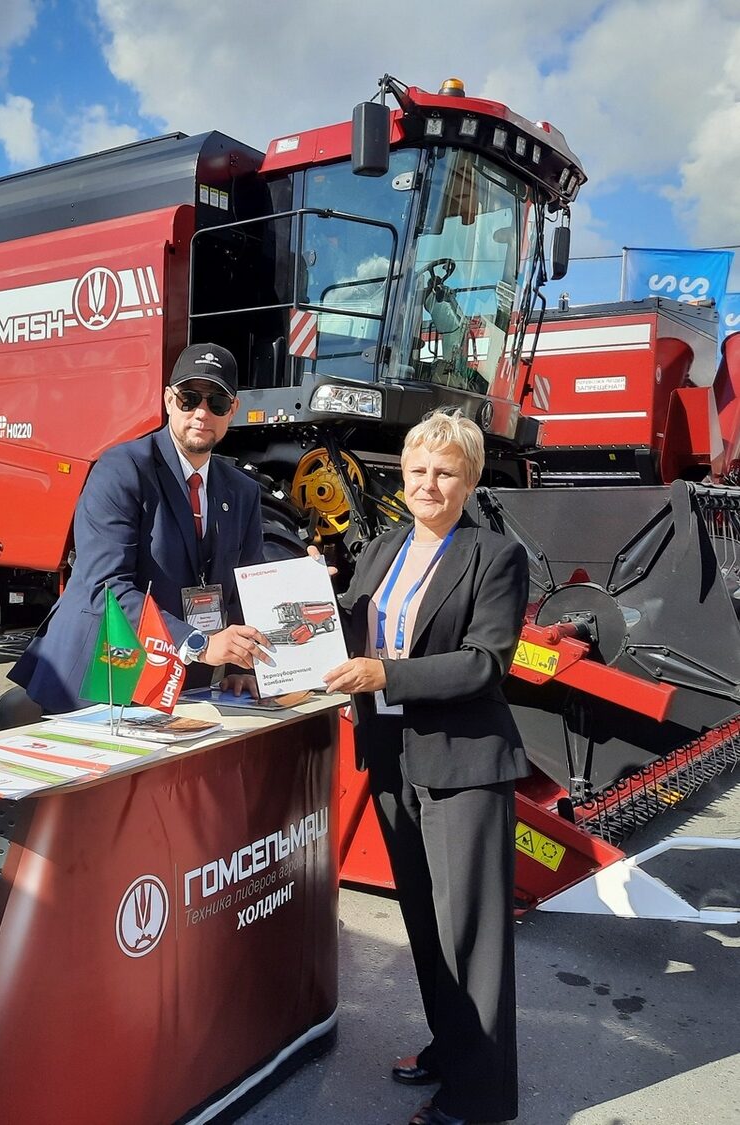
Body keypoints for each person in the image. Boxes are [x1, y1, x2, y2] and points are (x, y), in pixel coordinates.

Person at [323, 410, 529, 1125]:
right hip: (392, 757)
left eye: (445, 472)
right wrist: (307, 598)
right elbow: (350, 625)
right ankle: (451, 1049)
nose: (428, 484)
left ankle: (478, 1099)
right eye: (417, 470)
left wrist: (387, 674)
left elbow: (484, 662)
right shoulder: (381, 548)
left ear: (468, 481)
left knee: (470, 935)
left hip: (464, 762)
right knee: (424, 920)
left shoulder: (494, 556)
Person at [9, 342, 270, 713]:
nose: (201, 413)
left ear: (233, 410)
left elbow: (247, 587)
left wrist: (240, 665)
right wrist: (199, 643)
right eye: (189, 398)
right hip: (104, 678)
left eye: (216, 403)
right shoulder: (122, 469)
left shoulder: (242, 491)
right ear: (168, 400)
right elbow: (106, 586)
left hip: (180, 685)